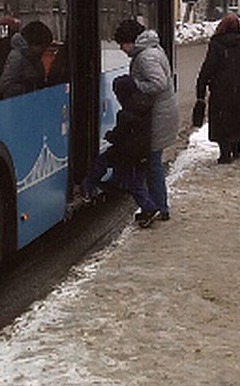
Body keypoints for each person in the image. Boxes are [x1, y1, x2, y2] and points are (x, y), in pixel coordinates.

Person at [114, 18, 179, 221]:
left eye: (122, 44)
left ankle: (158, 206)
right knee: (152, 162)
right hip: (160, 113)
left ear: (131, 40)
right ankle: (158, 205)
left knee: (152, 164)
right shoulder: (151, 50)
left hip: (156, 116)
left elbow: (158, 83)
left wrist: (134, 85)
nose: (121, 49)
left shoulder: (146, 57)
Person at [77, 74, 159, 228]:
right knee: (135, 180)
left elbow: (119, 135)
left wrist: (109, 136)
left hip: (128, 153)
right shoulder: (144, 105)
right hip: (139, 152)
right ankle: (145, 205)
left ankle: (148, 208)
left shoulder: (125, 114)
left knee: (107, 165)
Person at [194, 13, 240, 163]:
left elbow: (208, 67)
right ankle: (236, 148)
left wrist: (201, 87)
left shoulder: (216, 45)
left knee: (222, 120)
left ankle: (225, 153)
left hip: (221, 89)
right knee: (237, 118)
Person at [0, 20, 53, 97]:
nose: (44, 50)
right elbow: (5, 86)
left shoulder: (34, 57)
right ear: (34, 43)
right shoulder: (18, 57)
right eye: (42, 46)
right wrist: (29, 87)